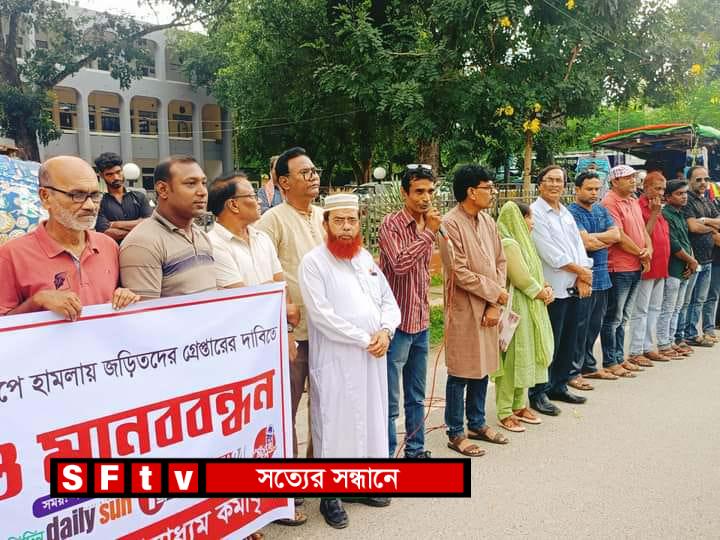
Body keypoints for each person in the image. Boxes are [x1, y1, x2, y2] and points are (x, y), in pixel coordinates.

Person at [299, 193, 400, 529]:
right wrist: (364, 338)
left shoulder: (365, 258)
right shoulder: (313, 263)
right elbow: (322, 315)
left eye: (352, 220)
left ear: (359, 223)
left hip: (372, 356)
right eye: (339, 220)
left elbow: (387, 300)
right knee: (335, 424)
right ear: (325, 223)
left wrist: (385, 331)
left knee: (371, 418)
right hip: (338, 359)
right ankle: (330, 496)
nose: (346, 227)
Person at [0, 156, 139, 317]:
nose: (90, 206)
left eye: (95, 195)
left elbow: (119, 297)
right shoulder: (11, 255)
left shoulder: (109, 246)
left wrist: (125, 296)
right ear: (45, 196)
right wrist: (37, 301)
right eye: (77, 195)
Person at [256, 146, 325, 461]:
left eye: (314, 171)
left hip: (326, 331)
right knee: (288, 407)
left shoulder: (324, 216)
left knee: (325, 407)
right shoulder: (271, 221)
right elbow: (264, 276)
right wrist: (283, 324)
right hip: (293, 335)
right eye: (305, 173)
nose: (314, 177)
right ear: (284, 182)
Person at [439, 164, 508, 458]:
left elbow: (500, 262)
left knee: (483, 365)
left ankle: (477, 423)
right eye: (487, 187)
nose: (492, 192)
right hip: (464, 307)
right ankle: (456, 432)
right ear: (471, 191)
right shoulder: (449, 224)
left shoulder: (488, 221)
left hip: (489, 305)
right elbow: (458, 271)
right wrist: (494, 293)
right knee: (461, 370)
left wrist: (494, 303)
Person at [378, 163, 438, 459]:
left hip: (421, 321)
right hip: (396, 325)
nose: (425, 198)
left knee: (416, 395)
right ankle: (387, 455)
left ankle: (416, 450)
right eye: (419, 191)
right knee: (390, 400)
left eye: (430, 191)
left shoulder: (429, 223)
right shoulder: (391, 224)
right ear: (404, 193)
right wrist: (428, 235)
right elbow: (400, 265)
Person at [529, 165, 593, 414]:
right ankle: (539, 392)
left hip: (573, 286)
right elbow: (550, 253)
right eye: (550, 180)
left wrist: (583, 274)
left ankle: (559, 385)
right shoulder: (536, 213)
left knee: (568, 339)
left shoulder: (565, 212)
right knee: (548, 343)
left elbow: (578, 246)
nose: (555, 184)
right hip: (552, 288)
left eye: (559, 180)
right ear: (540, 184)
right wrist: (581, 272)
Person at [492, 201, 554, 432]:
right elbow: (521, 278)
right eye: (528, 218)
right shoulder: (508, 243)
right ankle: (504, 410)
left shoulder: (523, 242)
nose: (532, 223)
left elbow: (534, 272)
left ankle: (519, 405)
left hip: (531, 306)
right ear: (517, 219)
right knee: (513, 359)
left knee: (526, 355)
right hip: (517, 307)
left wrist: (545, 287)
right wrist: (541, 292)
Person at [119, 156, 216, 298]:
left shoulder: (201, 236)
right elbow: (147, 309)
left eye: (204, 183)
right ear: (163, 189)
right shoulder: (142, 244)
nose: (202, 192)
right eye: (191, 183)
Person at [568, 171, 621, 384]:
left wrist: (594, 239)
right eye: (589, 189)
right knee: (579, 326)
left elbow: (616, 235)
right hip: (583, 276)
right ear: (577, 189)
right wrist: (602, 240)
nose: (594, 193)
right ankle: (573, 371)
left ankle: (588, 366)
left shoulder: (600, 209)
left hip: (602, 276)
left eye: (597, 189)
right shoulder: (572, 213)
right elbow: (585, 243)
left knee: (594, 326)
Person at [600, 164, 653, 377]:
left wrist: (648, 250)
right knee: (613, 317)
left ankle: (620, 358)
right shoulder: (609, 202)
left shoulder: (632, 200)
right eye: (628, 177)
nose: (633, 180)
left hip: (634, 265)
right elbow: (619, 236)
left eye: (634, 177)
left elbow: (643, 230)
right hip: (619, 267)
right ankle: (610, 361)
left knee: (624, 317)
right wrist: (641, 253)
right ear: (615, 181)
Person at [627, 171, 672, 365]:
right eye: (657, 188)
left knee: (655, 308)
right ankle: (636, 350)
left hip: (661, 266)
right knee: (641, 310)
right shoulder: (640, 207)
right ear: (646, 188)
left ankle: (647, 347)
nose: (660, 192)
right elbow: (643, 235)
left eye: (663, 189)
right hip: (647, 266)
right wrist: (653, 214)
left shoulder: (659, 206)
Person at [680, 165, 720, 347]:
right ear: (689, 181)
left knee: (700, 299)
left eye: (706, 179)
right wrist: (712, 226)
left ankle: (694, 333)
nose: (703, 183)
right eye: (698, 179)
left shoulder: (707, 201)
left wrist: (705, 221)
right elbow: (693, 227)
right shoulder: (687, 200)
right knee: (688, 300)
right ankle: (686, 334)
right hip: (693, 259)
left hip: (708, 257)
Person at [656, 180, 697, 358]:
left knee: (677, 308)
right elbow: (673, 244)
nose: (684, 196)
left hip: (684, 267)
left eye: (685, 193)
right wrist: (690, 260)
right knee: (668, 307)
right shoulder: (666, 214)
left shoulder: (680, 214)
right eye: (679, 194)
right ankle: (663, 343)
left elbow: (686, 241)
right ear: (667, 197)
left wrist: (691, 261)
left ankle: (671, 341)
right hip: (672, 268)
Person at [94, 152, 152, 243]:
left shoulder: (139, 196)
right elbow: (106, 233)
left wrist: (115, 224)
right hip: (115, 250)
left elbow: (150, 224)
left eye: (118, 172)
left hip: (142, 247)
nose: (116, 177)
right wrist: (139, 225)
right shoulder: (99, 202)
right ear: (101, 176)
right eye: (110, 174)